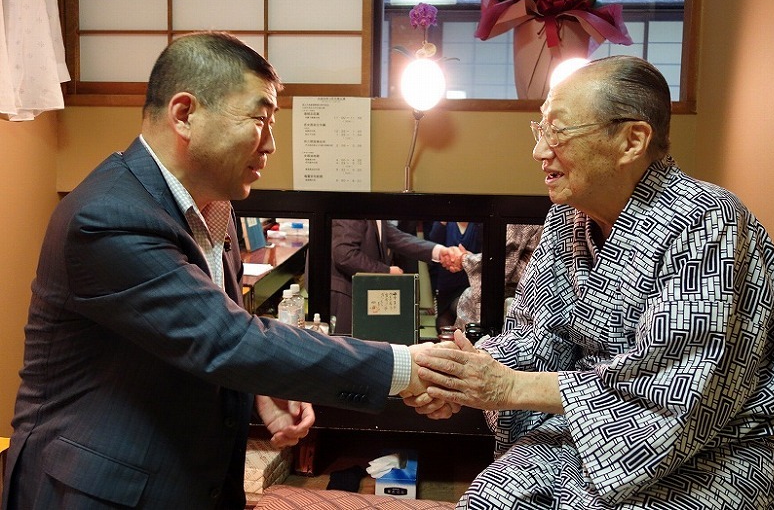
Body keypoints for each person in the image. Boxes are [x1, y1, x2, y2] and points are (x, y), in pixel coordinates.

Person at [1, 31, 450, 510]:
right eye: (260, 119)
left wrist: (258, 387)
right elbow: (228, 339)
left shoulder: (215, 204)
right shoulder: (108, 217)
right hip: (94, 489)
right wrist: (405, 366)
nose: (271, 144)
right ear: (185, 113)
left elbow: (201, 332)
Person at [409, 56, 774, 508]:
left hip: (715, 453)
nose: (540, 151)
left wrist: (506, 387)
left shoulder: (708, 221)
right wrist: (460, 373)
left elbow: (679, 395)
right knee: (493, 497)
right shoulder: (566, 221)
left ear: (632, 140)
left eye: (559, 131)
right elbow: (539, 340)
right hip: (583, 432)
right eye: (540, 130)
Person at [330, 219, 460, 335]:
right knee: (344, 350)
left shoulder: (375, 216)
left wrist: (439, 252)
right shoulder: (354, 208)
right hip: (343, 293)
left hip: (356, 293)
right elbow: (344, 254)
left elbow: (400, 238)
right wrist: (385, 271)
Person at [451, 223, 542, 331]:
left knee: (469, 297)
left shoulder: (522, 210)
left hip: (529, 288)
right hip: (538, 283)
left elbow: (504, 260)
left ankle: (474, 343)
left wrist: (464, 259)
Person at [428, 221, 482, 329]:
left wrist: (466, 258)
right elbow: (433, 247)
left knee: (466, 322)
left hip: (470, 287)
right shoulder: (444, 223)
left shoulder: (478, 224)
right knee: (443, 329)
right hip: (446, 288)